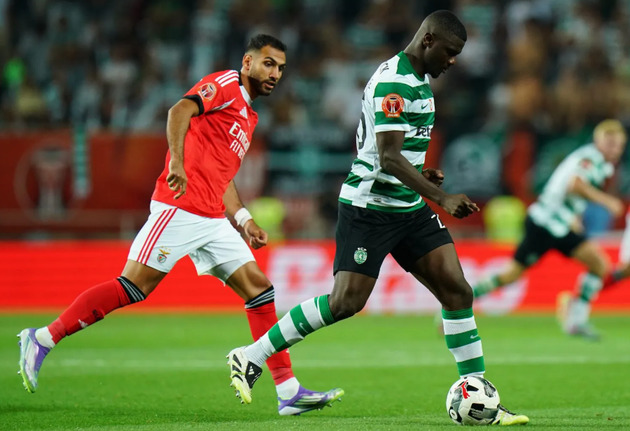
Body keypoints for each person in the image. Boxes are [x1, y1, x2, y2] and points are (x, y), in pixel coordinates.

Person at [226, 12, 528, 426]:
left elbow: (395, 152)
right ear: (428, 41)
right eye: (450, 52)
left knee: (457, 291)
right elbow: (386, 157)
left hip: (408, 207)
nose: (453, 61)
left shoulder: (418, 79)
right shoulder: (395, 83)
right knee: (345, 302)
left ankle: (479, 397)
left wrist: (422, 176)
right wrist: (441, 196)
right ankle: (252, 355)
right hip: (369, 209)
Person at [17, 34, 343, 416]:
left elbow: (223, 176)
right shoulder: (227, 84)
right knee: (133, 287)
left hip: (212, 218)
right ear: (248, 62)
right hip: (180, 206)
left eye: (281, 69)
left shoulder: (249, 116)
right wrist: (176, 161)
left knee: (260, 291)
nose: (275, 74)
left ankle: (287, 391)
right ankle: (42, 338)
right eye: (268, 63)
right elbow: (179, 110)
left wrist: (243, 219)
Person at [472, 119, 627, 340]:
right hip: (544, 224)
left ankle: (576, 320)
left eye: (618, 145)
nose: (614, 149)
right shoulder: (590, 158)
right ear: (597, 141)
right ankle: (460, 302)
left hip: (561, 224)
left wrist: (574, 216)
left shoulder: (602, 164)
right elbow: (575, 184)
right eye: (609, 143)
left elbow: (568, 191)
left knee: (599, 265)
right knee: (510, 275)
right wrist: (607, 201)